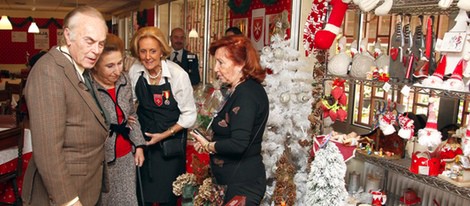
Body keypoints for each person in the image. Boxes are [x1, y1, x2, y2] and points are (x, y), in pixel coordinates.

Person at [21, 6, 109, 206]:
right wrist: (69, 201)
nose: (96, 51)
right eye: (90, 41)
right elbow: (47, 152)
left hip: (85, 187)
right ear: (68, 36)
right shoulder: (49, 72)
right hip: (64, 196)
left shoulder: (79, 68)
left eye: (101, 44)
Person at [190, 35, 269, 205]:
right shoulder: (236, 90)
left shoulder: (247, 94)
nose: (215, 68)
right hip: (231, 181)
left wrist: (209, 146)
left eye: (221, 62)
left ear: (240, 64)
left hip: (242, 183)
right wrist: (210, 140)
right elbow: (233, 129)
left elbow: (239, 144)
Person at [128, 26, 197, 205]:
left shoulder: (178, 75)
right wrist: (136, 138)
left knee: (168, 198)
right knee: (143, 196)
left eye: (153, 51)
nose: (148, 56)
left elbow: (189, 115)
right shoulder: (135, 71)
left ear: (162, 51)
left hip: (170, 147)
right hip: (144, 146)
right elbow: (130, 104)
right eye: (143, 51)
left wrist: (164, 135)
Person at [90, 33, 146, 205]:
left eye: (120, 63)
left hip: (125, 156)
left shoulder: (124, 79)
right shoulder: (88, 87)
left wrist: (139, 145)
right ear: (95, 66)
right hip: (100, 160)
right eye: (110, 66)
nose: (117, 70)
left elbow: (131, 114)